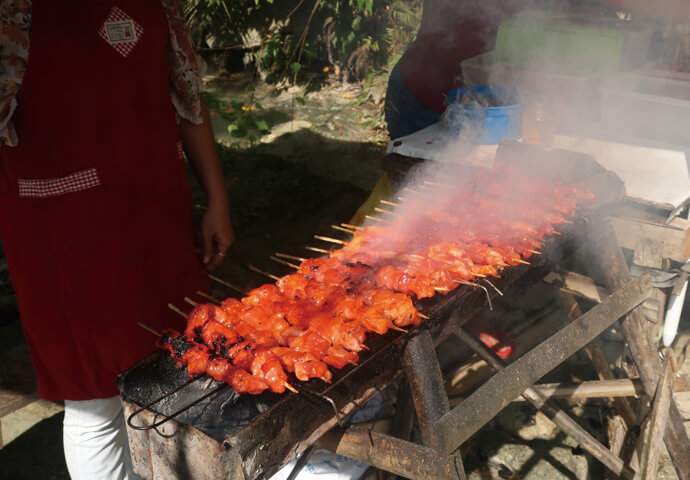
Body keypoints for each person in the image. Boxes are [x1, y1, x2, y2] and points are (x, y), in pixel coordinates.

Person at [0, 1, 234, 478]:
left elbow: (188, 96)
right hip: (65, 234)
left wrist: (217, 199)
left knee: (177, 369)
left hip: (157, 218)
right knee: (94, 399)